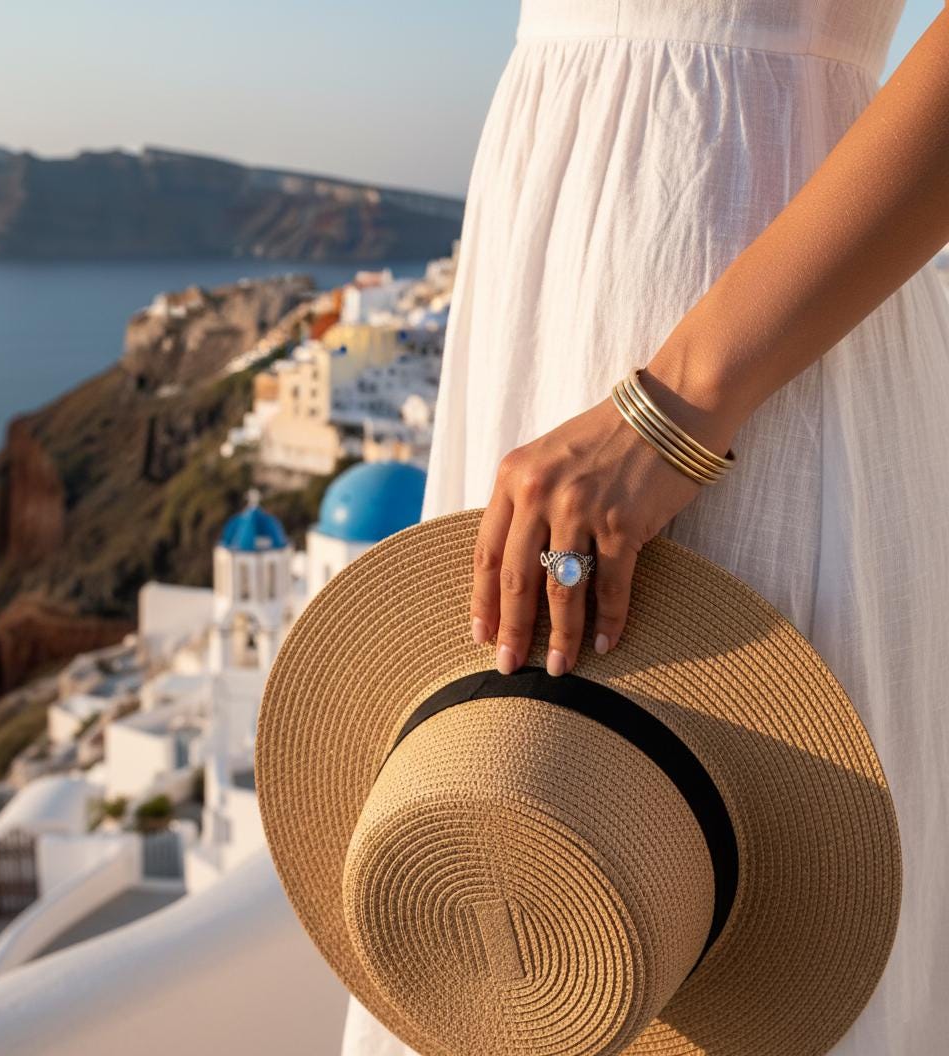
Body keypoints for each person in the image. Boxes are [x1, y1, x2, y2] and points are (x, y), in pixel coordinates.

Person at [341, 0, 949, 1052]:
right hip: (545, 285)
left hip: (737, 316)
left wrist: (675, 406)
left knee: (712, 914)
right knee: (518, 898)